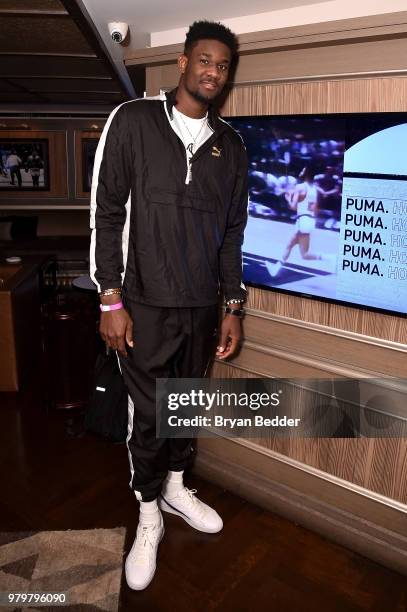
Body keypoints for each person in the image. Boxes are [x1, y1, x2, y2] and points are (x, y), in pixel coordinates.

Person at [90, 20, 248, 591]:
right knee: (151, 417)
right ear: (183, 62)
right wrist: (110, 297)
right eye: (204, 60)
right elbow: (106, 214)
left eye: (223, 65)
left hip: (202, 308)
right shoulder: (132, 121)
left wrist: (232, 306)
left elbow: (232, 234)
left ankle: (178, 490)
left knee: (188, 408)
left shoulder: (231, 147)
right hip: (145, 304)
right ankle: (148, 513)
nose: (213, 71)